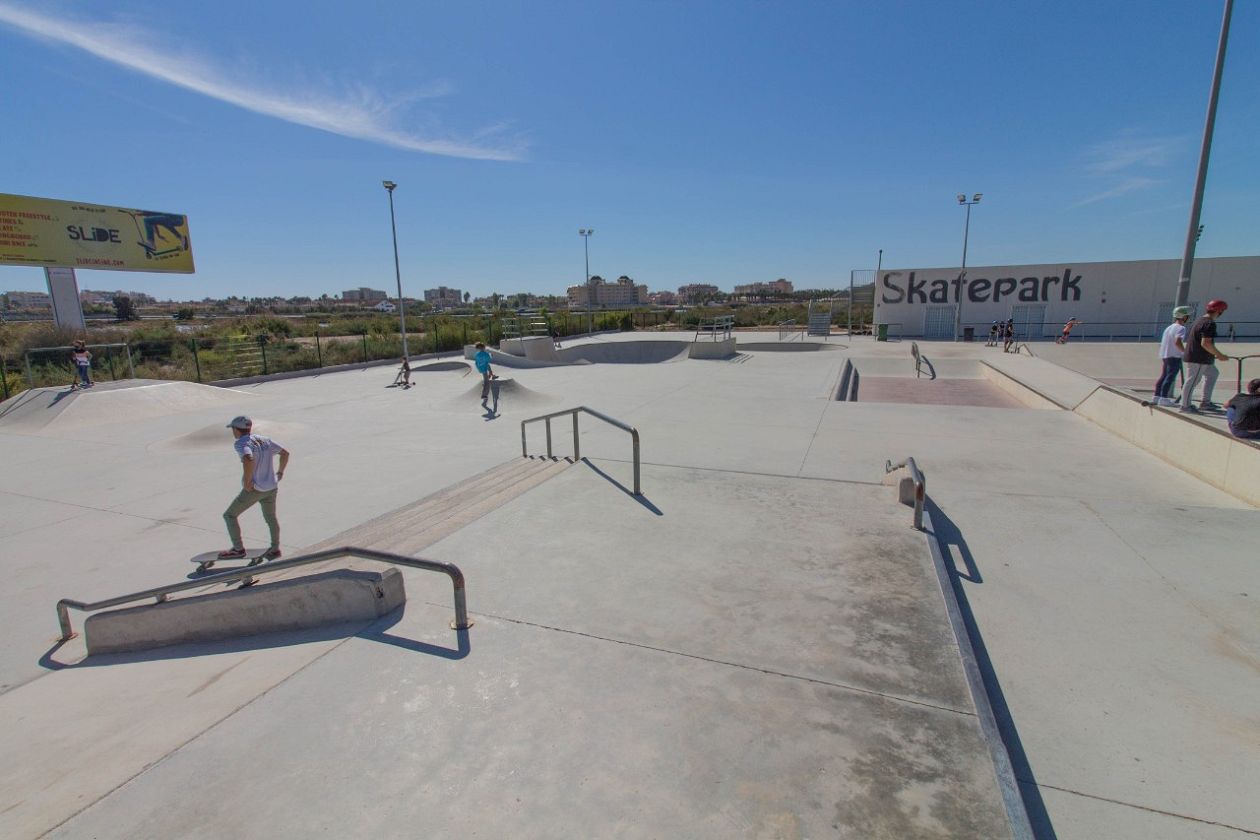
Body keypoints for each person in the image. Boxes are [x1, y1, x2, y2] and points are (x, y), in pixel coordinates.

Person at [219, 416, 289, 560]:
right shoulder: (264, 440)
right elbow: (285, 453)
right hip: (271, 487)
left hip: (255, 489)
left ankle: (238, 549)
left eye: (233, 429)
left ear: (236, 430)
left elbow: (248, 458)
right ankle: (275, 549)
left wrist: (247, 480)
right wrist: (280, 472)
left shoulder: (240, 443)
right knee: (271, 518)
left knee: (229, 515)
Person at [1180, 300, 1230, 413]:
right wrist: (1219, 355)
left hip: (1202, 358)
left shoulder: (1201, 320)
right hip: (1198, 358)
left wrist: (1214, 354)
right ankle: (1185, 406)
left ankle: (1205, 402)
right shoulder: (1209, 323)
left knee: (1213, 373)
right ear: (1219, 310)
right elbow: (1206, 343)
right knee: (1192, 380)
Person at [1153, 306, 1190, 406]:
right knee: (1170, 377)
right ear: (1183, 317)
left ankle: (1156, 396)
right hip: (1174, 356)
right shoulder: (1181, 328)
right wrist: (1185, 352)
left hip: (1165, 355)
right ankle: (1164, 398)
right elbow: (1178, 341)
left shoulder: (1169, 327)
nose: (1188, 318)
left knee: (1164, 376)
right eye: (1187, 316)